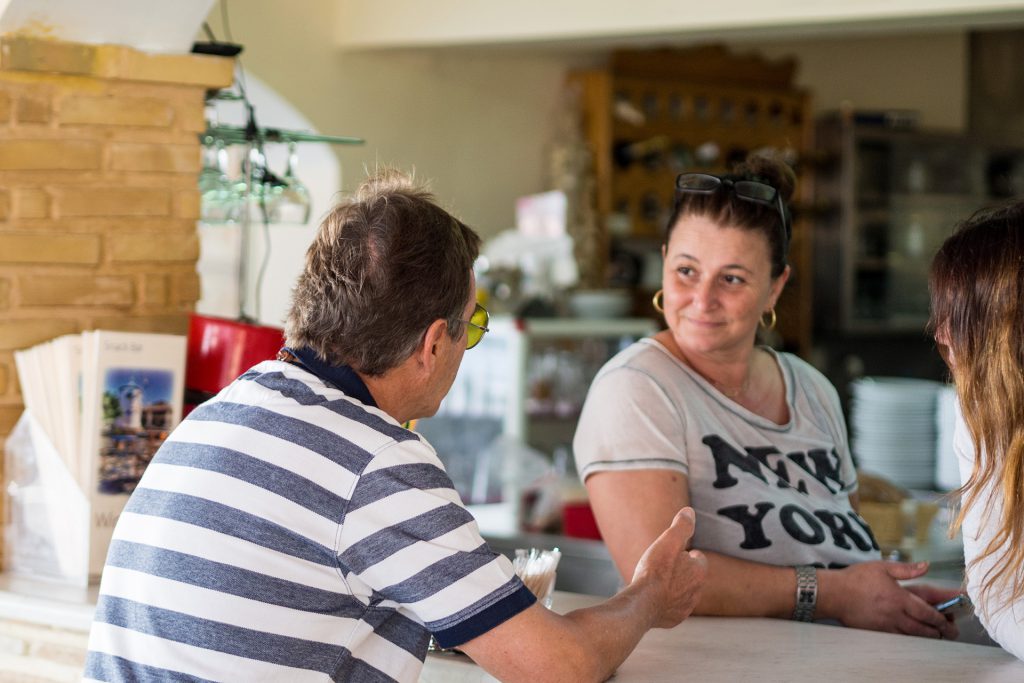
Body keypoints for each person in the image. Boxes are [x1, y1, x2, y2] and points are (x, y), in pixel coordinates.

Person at [83, 169, 707, 682]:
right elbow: (559, 667)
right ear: (433, 343)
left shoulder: (216, 413)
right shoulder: (377, 461)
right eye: (472, 326)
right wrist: (649, 596)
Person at [574, 155, 960, 638]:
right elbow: (658, 580)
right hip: (716, 666)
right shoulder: (637, 386)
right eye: (686, 270)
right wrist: (835, 595)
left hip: (840, 659)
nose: (702, 299)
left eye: (732, 278)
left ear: (775, 288)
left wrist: (890, 598)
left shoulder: (812, 389)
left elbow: (841, 550)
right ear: (665, 260)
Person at [930, 200, 1024, 659]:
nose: (940, 335)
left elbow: (1005, 605)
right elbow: (999, 595)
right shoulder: (983, 415)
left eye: (962, 316)